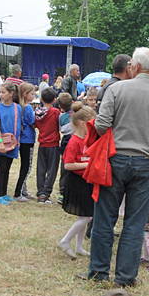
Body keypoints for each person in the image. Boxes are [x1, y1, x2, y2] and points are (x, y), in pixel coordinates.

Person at [86, 47, 149, 288]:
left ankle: (98, 272)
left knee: (104, 218)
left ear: (135, 66)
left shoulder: (116, 89)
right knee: (135, 223)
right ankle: (125, 277)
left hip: (115, 160)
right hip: (147, 164)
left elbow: (101, 125)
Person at [58, 103, 96, 258]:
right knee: (86, 216)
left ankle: (79, 246)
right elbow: (68, 165)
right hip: (76, 182)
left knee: (85, 215)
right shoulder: (74, 141)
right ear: (81, 123)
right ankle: (65, 241)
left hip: (86, 181)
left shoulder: (87, 139)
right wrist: (88, 164)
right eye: (91, 123)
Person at [0, 81, 22, 205]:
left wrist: (16, 143)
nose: (1, 94)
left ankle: (4, 193)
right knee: (2, 168)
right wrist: (0, 142)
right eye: (0, 92)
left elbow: (18, 125)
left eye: (3, 92)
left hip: (12, 144)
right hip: (1, 143)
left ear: (11, 93)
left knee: (7, 168)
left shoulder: (17, 108)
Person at [34, 87, 61, 203]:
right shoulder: (55, 112)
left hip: (42, 143)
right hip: (53, 144)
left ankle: (40, 192)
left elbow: (35, 125)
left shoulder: (37, 112)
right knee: (52, 170)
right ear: (54, 99)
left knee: (41, 169)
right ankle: (46, 193)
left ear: (41, 99)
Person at [13, 83, 37, 202]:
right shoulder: (27, 108)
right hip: (27, 139)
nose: (34, 95)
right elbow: (32, 122)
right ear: (25, 94)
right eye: (32, 93)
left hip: (22, 139)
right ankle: (18, 192)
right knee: (26, 166)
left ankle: (23, 190)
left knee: (25, 165)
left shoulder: (18, 107)